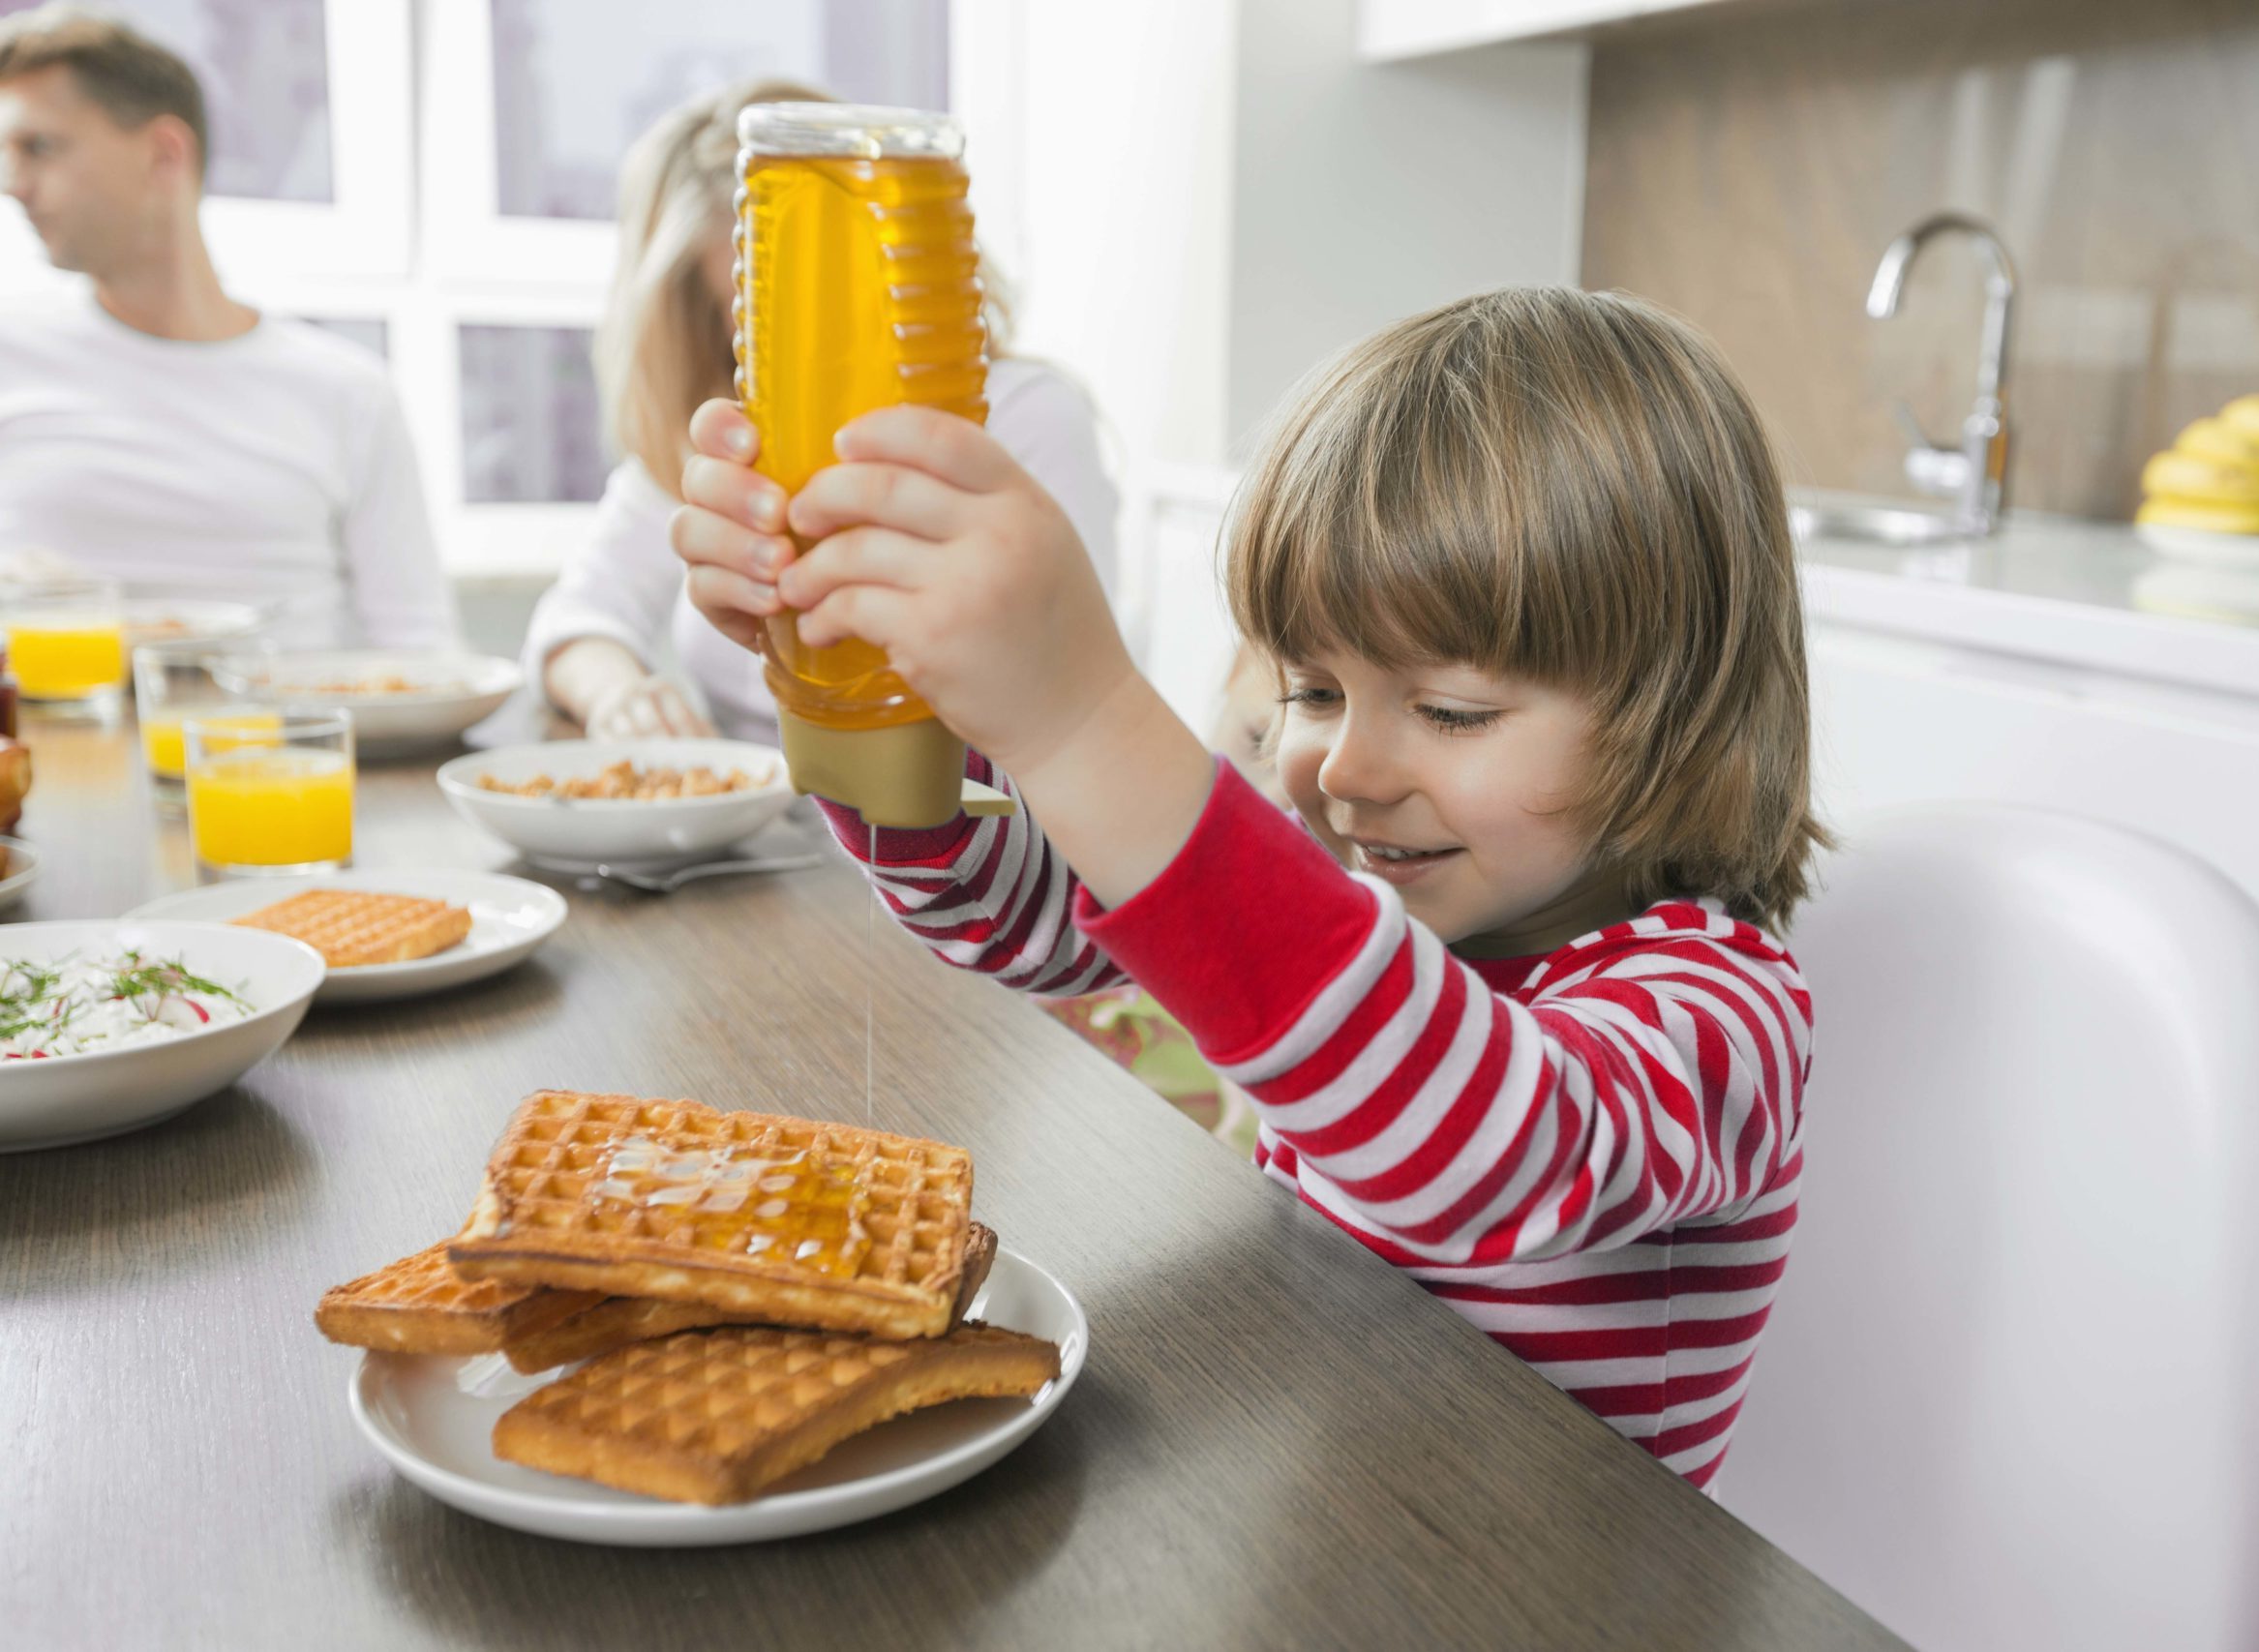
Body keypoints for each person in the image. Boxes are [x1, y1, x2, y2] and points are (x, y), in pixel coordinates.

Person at [671, 285, 1825, 1487]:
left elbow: (1482, 1149)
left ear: (1679, 720)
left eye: (1449, 710)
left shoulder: (1718, 1007)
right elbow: (1035, 922)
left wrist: (1083, 725)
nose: (1348, 768)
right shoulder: (1363, 890)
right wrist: (864, 693)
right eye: (1313, 692)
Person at [523, 80, 1115, 741]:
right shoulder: (723, 430)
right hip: (765, 838)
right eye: (763, 314)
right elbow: (577, 619)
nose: (813, 344)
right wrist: (621, 696)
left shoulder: (1024, 419)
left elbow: (1076, 717)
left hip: (970, 833)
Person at [0, 5, 457, 649]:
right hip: (53, 737)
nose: (12, 184)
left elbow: (421, 649)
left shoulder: (348, 392)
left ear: (164, 154)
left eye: (38, 147)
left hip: (284, 741)